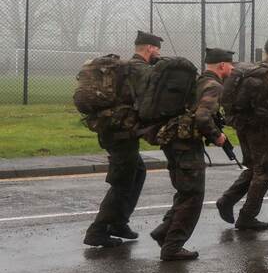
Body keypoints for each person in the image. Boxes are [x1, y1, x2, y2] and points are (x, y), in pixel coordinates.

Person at [150, 48, 233, 260]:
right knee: (194, 196)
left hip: (173, 141)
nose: (232, 68)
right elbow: (203, 117)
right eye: (230, 64)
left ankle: (164, 232)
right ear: (222, 65)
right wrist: (217, 136)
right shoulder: (213, 86)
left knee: (185, 192)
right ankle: (173, 247)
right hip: (186, 145)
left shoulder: (198, 81)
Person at [82, 30, 162, 248]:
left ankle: (118, 223)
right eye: (157, 49)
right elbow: (151, 97)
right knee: (123, 182)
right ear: (150, 48)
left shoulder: (127, 67)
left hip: (114, 129)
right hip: (121, 132)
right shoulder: (139, 68)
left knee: (138, 172)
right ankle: (97, 231)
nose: (158, 53)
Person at [215, 37, 268, 231]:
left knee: (255, 167)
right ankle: (247, 215)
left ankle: (227, 200)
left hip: (243, 125)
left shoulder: (251, 70)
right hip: (260, 128)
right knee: (266, 169)